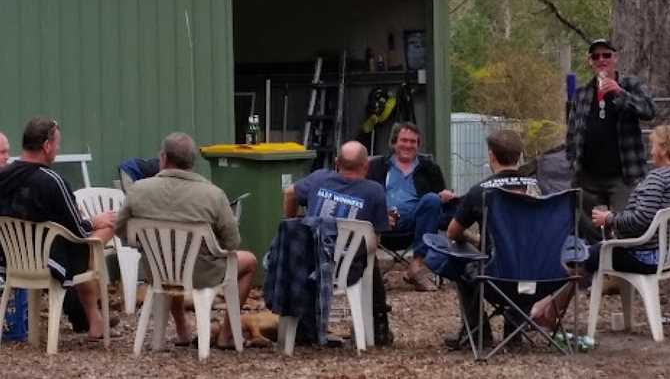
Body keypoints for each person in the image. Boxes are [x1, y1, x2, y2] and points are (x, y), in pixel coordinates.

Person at [115, 132, 257, 348]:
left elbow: (120, 229)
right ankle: (227, 335)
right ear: (193, 162)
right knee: (249, 261)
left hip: (158, 270)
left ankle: (182, 329)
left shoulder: (138, 190)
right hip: (202, 273)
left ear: (163, 158)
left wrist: (146, 244)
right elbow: (232, 243)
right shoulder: (213, 194)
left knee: (170, 256)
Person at [0, 117, 116, 340]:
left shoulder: (3, 177)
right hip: (51, 263)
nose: (57, 150)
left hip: (12, 261)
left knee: (82, 240)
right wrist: (95, 220)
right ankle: (95, 319)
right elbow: (79, 230)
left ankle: (94, 319)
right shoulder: (52, 181)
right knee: (105, 228)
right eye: (57, 145)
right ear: (46, 146)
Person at [282, 140, 393, 345]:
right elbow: (373, 243)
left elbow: (289, 193)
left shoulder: (318, 178)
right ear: (366, 166)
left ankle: (303, 328)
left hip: (308, 265)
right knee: (370, 258)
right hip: (346, 269)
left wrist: (291, 224)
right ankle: (378, 327)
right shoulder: (374, 191)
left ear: (336, 163)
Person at [442, 129, 539, 349]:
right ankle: (513, 332)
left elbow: (452, 233)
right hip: (537, 274)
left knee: (460, 261)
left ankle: (478, 332)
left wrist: (476, 240)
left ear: (492, 156)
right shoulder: (537, 189)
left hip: (495, 275)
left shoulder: (480, 191)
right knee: (520, 259)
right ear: (519, 156)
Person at [578, 125, 670, 276]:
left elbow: (641, 219)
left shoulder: (658, 177)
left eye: (653, 146)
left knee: (581, 257)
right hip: (667, 255)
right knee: (594, 253)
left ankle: (553, 299)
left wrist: (609, 218)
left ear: (664, 150)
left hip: (644, 257)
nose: (651, 152)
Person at [566, 39, 656, 223]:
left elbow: (649, 111)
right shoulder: (582, 93)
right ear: (590, 61)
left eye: (606, 55)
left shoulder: (631, 85)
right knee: (591, 228)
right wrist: (572, 163)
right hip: (588, 177)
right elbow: (572, 132)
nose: (602, 60)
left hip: (623, 176)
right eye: (596, 56)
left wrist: (620, 93)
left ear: (615, 58)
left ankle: (620, 253)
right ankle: (598, 253)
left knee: (625, 225)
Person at [367, 122, 457, 291]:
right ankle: (372, 275)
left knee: (431, 199)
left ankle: (415, 268)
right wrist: (379, 215)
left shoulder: (429, 168)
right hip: (382, 225)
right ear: (394, 142)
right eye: (404, 140)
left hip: (418, 225)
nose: (408, 145)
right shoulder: (377, 167)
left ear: (418, 144)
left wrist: (444, 196)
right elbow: (364, 197)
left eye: (412, 141)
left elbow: (440, 206)